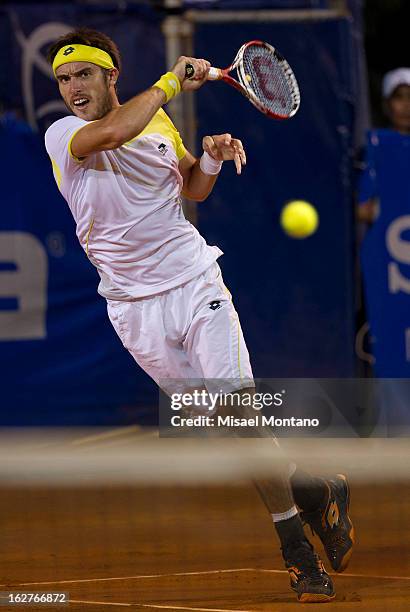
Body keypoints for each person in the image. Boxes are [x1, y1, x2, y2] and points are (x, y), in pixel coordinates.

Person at [45, 28, 353, 603]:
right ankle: (316, 491)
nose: (72, 88)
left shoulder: (157, 123)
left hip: (194, 284)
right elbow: (114, 132)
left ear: (111, 75)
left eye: (83, 74)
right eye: (64, 79)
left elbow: (192, 188)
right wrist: (170, 82)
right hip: (133, 311)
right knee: (229, 433)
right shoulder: (65, 133)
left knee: (240, 409)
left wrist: (208, 158)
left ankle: (297, 553)